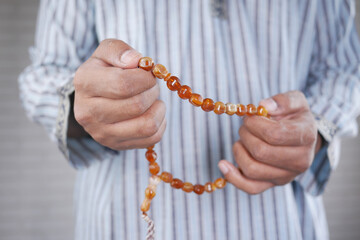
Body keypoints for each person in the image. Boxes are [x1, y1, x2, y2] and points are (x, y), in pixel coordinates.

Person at [18, 0, 360, 239]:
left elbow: (344, 71)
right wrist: (86, 108)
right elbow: (45, 75)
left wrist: (313, 130)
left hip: (279, 223)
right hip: (127, 223)